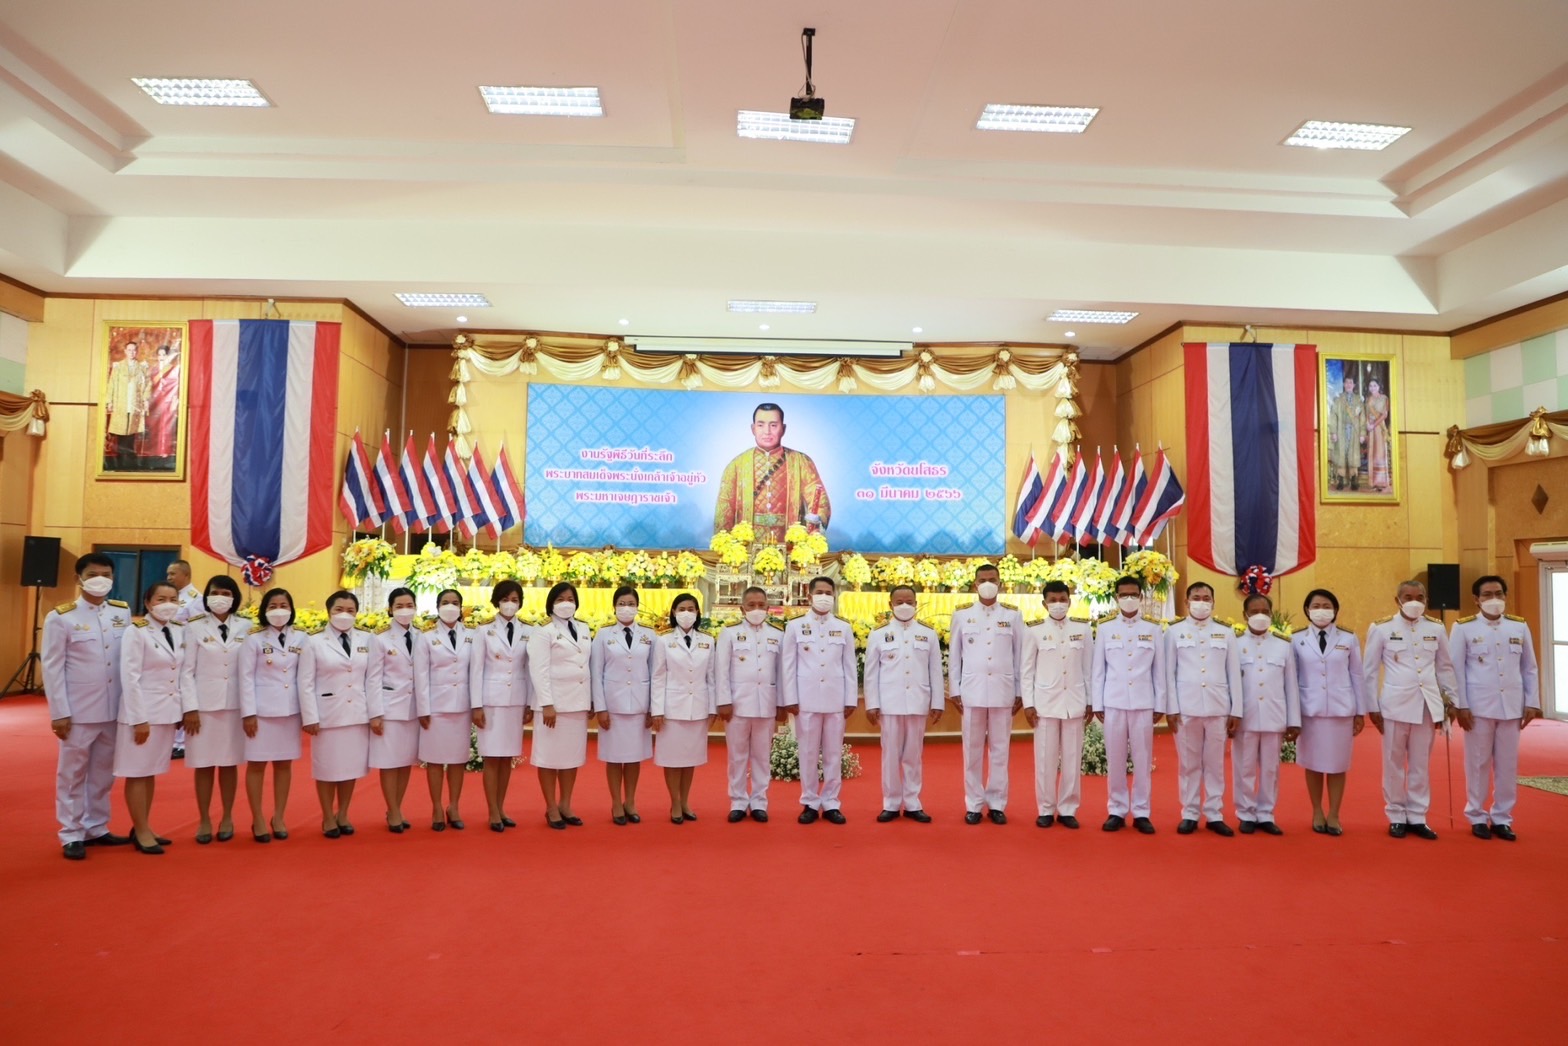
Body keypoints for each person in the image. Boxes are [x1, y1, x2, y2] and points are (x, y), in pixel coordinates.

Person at [41, 553, 132, 860]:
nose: (100, 579)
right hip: (78, 712)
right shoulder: (61, 617)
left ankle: (96, 826)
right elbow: (52, 668)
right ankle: (70, 832)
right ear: (78, 578)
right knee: (72, 773)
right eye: (93, 573)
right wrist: (60, 712)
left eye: (106, 574)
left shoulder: (122, 612)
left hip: (113, 709)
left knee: (104, 773)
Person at [1363, 580, 1460, 840]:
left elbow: (1445, 667)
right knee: (1394, 763)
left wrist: (1451, 700)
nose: (1414, 601)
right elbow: (1370, 671)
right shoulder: (1382, 628)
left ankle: (1417, 816)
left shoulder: (1436, 628)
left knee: (1420, 764)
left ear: (1426, 599)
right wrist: (1372, 706)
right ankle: (1396, 814)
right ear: (1398, 601)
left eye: (1420, 596)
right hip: (1394, 706)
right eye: (1408, 597)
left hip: (1427, 705)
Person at [1448, 575, 1541, 841]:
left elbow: (1529, 668)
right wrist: (1460, 705)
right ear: (1476, 600)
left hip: (1511, 706)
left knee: (1508, 765)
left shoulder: (1519, 627)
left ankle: (1502, 818)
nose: (1494, 599)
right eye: (1487, 595)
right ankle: (1476, 815)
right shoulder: (1463, 628)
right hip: (1477, 707)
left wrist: (1532, 701)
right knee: (1477, 763)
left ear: (1506, 595)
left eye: (1498, 593)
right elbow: (1456, 670)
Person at [298, 591, 385, 838]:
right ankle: (327, 815)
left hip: (357, 713)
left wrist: (375, 713)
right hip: (327, 715)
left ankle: (343, 813)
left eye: (350, 610)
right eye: (339, 610)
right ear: (328, 611)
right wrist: (310, 717)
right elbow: (305, 682)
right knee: (326, 768)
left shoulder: (367, 639)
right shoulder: (313, 641)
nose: (344, 615)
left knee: (350, 767)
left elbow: (373, 678)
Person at [114, 580, 188, 854]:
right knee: (137, 772)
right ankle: (141, 830)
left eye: (173, 598)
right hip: (142, 713)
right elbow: (130, 678)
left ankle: (143, 824)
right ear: (147, 603)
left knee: (151, 772)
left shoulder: (178, 630)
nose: (167, 604)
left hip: (166, 712)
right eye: (160, 599)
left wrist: (180, 709)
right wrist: (138, 718)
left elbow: (179, 673)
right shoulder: (136, 632)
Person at [1164, 582, 1242, 836]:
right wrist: (1171, 708)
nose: (1201, 602)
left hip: (1218, 707)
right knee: (1188, 764)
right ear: (1186, 603)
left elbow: (1234, 674)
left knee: (1215, 764)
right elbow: (1169, 673)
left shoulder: (1225, 632)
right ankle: (1189, 813)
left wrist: (1236, 710)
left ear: (1213, 602)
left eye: (1206, 598)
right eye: (1196, 598)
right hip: (1186, 707)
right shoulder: (1174, 632)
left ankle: (1214, 813)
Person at [949, 564, 1024, 825]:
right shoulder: (962, 615)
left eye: (992, 579)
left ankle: (997, 803)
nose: (988, 583)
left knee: (1000, 750)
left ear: (1001, 583)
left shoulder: (1013, 615)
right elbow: (955, 655)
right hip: (972, 691)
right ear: (974, 584)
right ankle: (973, 803)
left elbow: (1019, 656)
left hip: (1003, 691)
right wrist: (955, 689)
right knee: (972, 751)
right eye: (983, 580)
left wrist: (1019, 690)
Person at [179, 575, 251, 843]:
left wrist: (249, 710)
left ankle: (228, 816)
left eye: (226, 592)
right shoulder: (194, 627)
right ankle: (204, 819)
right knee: (204, 765)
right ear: (206, 596)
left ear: (234, 598)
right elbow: (186, 672)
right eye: (215, 592)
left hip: (234, 706)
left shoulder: (247, 626)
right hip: (203, 707)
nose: (220, 597)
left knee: (229, 764)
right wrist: (190, 709)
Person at [1092, 575, 1166, 834]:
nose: (1129, 598)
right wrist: (1097, 703)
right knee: (1115, 758)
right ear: (1116, 597)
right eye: (1124, 594)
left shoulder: (1154, 629)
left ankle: (1142, 811)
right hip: (1114, 701)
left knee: (1143, 760)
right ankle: (1116, 809)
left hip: (1144, 702)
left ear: (1141, 597)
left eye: (1134, 594)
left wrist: (1161, 703)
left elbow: (1160, 671)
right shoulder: (1105, 628)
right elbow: (1098, 670)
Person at [864, 585, 944, 823]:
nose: (904, 605)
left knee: (913, 755)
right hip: (889, 704)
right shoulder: (878, 634)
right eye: (899, 602)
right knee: (890, 755)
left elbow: (935, 671)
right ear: (890, 605)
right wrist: (872, 703)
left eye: (909, 601)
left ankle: (912, 802)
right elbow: (871, 672)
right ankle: (890, 802)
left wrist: (937, 702)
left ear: (916, 603)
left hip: (918, 702)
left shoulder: (928, 634)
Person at [781, 576, 858, 824]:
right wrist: (790, 698)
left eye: (828, 592)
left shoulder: (843, 627)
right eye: (820, 592)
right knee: (808, 752)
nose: (824, 596)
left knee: (834, 753)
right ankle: (810, 802)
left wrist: (850, 699)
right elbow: (788, 666)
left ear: (834, 596)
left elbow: (849, 667)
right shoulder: (794, 626)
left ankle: (832, 802)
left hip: (836, 700)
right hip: (806, 700)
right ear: (810, 596)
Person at [1290, 588, 1366, 835]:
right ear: (1307, 610)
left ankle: (1334, 813)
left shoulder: (1348, 638)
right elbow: (1292, 678)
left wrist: (1360, 712)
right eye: (1315, 605)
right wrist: (1292, 715)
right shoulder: (1296, 638)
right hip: (1309, 710)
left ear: (1334, 610)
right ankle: (1316, 811)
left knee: (1337, 765)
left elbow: (1357, 675)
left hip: (1340, 710)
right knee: (1312, 763)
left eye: (1326, 605)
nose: (1321, 610)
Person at [1020, 580, 1092, 829]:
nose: (1058, 604)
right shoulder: (1034, 630)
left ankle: (1068, 808)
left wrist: (1090, 701)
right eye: (1053, 600)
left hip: (1074, 702)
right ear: (1044, 603)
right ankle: (1046, 808)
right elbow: (1026, 670)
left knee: (1072, 759)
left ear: (1070, 601)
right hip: (1045, 704)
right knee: (1045, 758)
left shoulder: (1083, 629)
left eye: (1062, 599)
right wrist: (1029, 703)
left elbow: (1088, 669)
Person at [239, 587, 304, 842]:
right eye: (274, 606)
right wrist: (249, 713)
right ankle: (257, 818)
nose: (279, 610)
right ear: (265, 610)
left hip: (289, 711)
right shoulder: (254, 639)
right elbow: (245, 678)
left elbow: (304, 677)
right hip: (262, 712)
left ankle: (278, 816)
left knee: (284, 765)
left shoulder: (301, 638)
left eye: (284, 605)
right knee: (256, 765)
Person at [713, 402, 831, 542]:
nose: (767, 431)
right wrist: (725, 547)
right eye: (761, 425)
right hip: (745, 549)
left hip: (791, 547)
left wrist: (815, 525)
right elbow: (724, 511)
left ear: (783, 429)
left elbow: (819, 502)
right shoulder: (736, 466)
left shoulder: (801, 462)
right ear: (753, 429)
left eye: (773, 425)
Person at [1233, 594, 1300, 835]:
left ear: (1271, 614)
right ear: (1245, 615)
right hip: (1246, 717)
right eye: (1255, 611)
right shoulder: (1235, 643)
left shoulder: (1283, 645)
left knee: (1271, 769)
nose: (1260, 616)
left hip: (1274, 715)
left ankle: (1266, 813)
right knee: (1245, 767)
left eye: (1265, 611)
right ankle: (1245, 813)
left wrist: (1294, 720)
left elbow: (1291, 685)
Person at [716, 586, 783, 823]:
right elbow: (721, 670)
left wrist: (782, 704)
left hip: (766, 704)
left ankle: (759, 802)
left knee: (762, 756)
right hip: (737, 705)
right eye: (751, 605)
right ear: (742, 608)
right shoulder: (730, 632)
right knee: (737, 756)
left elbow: (781, 672)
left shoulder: (777, 633)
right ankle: (737, 800)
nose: (757, 609)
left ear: (768, 607)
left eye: (761, 605)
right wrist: (723, 701)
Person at [469, 579, 531, 832]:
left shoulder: (529, 630)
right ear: (496, 601)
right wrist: (476, 705)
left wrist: (529, 703)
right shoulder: (483, 631)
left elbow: (529, 670)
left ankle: (501, 807)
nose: (510, 604)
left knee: (507, 758)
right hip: (491, 701)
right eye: (505, 599)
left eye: (515, 600)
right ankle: (492, 810)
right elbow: (476, 670)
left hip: (516, 700)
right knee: (492, 758)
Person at [529, 582, 593, 829]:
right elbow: (539, 670)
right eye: (560, 599)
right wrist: (547, 703)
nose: (566, 603)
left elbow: (586, 664)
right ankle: (551, 806)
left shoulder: (584, 628)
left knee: (571, 758)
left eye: (570, 598)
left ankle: (566, 803)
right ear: (551, 603)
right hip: (553, 705)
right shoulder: (542, 631)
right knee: (549, 758)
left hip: (577, 703)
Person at [591, 586, 656, 825]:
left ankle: (631, 800)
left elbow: (655, 672)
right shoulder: (603, 635)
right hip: (613, 705)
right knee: (614, 756)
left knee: (633, 757)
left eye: (631, 603)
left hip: (640, 704)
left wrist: (653, 707)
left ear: (637, 607)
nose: (626, 608)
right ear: (614, 607)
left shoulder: (649, 635)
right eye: (622, 603)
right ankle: (616, 802)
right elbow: (595, 673)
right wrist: (601, 707)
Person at [651, 593, 718, 823]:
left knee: (690, 758)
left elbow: (711, 677)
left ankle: (686, 800)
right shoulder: (664, 641)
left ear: (698, 613)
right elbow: (658, 676)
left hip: (697, 707)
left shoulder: (707, 641)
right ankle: (675, 803)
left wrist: (712, 708)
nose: (686, 613)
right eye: (682, 608)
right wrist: (657, 709)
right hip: (672, 708)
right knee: (672, 759)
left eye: (691, 608)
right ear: (673, 612)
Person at [369, 588, 430, 833]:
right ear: (390, 609)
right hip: (390, 707)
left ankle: (398, 807)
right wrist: (375, 712)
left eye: (409, 605)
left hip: (413, 708)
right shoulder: (380, 638)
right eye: (399, 606)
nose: (405, 610)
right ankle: (392, 810)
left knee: (405, 761)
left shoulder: (423, 636)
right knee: (389, 761)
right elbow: (372, 678)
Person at [420, 589, 478, 831]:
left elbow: (475, 673)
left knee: (457, 760)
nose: (450, 607)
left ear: (461, 607)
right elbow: (420, 675)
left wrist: (476, 705)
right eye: (445, 603)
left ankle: (453, 806)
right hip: (435, 707)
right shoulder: (426, 637)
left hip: (462, 706)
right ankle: (435, 806)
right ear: (437, 607)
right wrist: (423, 708)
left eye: (455, 603)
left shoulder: (473, 636)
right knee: (434, 761)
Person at [166, 558, 202, 758]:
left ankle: (182, 742)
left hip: (187, 653)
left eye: (173, 573)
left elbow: (198, 630)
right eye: (168, 574)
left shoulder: (195, 599)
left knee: (184, 695)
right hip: (169, 653)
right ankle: (173, 739)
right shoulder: (169, 597)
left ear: (186, 575)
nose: (169, 577)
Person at [104, 338, 149, 468]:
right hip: (121, 403)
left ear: (136, 352)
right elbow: (111, 384)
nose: (131, 352)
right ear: (125, 351)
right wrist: (110, 401)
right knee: (120, 432)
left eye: (134, 350)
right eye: (129, 350)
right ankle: (120, 462)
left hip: (135, 404)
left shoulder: (142, 367)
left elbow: (148, 384)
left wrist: (145, 399)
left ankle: (130, 462)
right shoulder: (118, 367)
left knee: (131, 433)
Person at [136, 342, 180, 468]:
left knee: (166, 427)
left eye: (164, 354)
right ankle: (155, 452)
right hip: (155, 402)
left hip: (168, 402)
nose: (161, 357)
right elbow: (149, 385)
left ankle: (165, 452)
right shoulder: (154, 369)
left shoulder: (173, 369)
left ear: (168, 355)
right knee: (155, 428)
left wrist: (175, 401)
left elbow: (177, 387)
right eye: (159, 354)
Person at [1327, 373, 1364, 491]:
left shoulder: (1358, 400)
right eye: (1346, 382)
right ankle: (1341, 479)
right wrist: (1333, 432)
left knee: (1353, 454)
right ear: (1344, 384)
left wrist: (1362, 433)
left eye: (1350, 383)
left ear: (1354, 385)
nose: (1348, 385)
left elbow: (1362, 418)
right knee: (1341, 454)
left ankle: (1354, 479)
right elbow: (1333, 416)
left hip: (1354, 431)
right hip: (1341, 430)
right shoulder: (1338, 399)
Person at [1364, 378, 1392, 493]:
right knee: (1372, 453)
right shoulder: (1368, 399)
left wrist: (1373, 425)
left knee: (1380, 453)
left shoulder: (1384, 398)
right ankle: (1373, 482)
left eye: (1374, 385)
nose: (1372, 388)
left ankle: (1381, 482)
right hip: (1371, 429)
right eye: (1370, 386)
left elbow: (1385, 415)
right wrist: (1367, 425)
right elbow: (1366, 414)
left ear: (1379, 386)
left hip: (1379, 428)